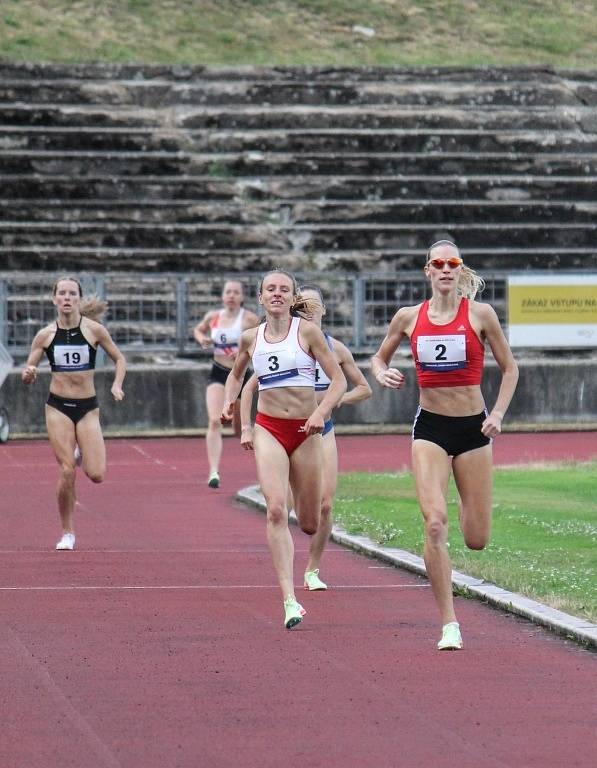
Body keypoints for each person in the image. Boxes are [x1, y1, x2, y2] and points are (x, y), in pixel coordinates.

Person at [371, 241, 518, 650]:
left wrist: (498, 415)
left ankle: (461, 496)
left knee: (476, 539)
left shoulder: (480, 314)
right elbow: (378, 358)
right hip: (430, 428)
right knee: (434, 523)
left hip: (474, 430)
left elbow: (510, 368)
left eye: (453, 263)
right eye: (439, 263)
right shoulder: (408, 317)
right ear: (428, 271)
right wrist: (382, 373)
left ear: (460, 269)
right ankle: (449, 623)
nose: (446, 269)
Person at [221, 269, 346, 629]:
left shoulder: (306, 332)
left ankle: (309, 556)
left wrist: (322, 412)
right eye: (270, 289)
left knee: (310, 521)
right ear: (260, 298)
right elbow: (236, 375)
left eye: (284, 289)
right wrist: (231, 403)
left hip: (307, 431)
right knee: (275, 510)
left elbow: (338, 380)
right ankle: (290, 600)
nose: (276, 294)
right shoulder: (250, 338)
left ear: (292, 299)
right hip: (270, 429)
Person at [239, 283, 372, 591]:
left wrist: (332, 403)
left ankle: (312, 568)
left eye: (315, 307)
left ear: (324, 310)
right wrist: (246, 425)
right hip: (282, 424)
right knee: (280, 505)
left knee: (323, 506)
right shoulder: (283, 341)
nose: (309, 312)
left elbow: (363, 388)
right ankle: (285, 567)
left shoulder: (335, 348)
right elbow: (252, 383)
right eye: (305, 306)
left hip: (320, 428)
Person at [21, 276, 126, 551]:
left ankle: (80, 454)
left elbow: (119, 358)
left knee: (97, 474)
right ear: (54, 299)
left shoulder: (94, 330)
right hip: (58, 407)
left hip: (87, 408)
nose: (67, 298)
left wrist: (117, 384)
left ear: (78, 299)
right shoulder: (45, 335)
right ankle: (67, 533)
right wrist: (29, 374)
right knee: (66, 471)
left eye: (72, 293)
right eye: (62, 293)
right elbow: (28, 372)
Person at [193, 280, 259, 488]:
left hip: (240, 376)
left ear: (241, 297)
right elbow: (198, 330)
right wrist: (202, 339)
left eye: (235, 292)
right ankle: (213, 471)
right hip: (218, 372)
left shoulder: (249, 319)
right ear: (222, 296)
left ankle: (267, 461)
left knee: (240, 430)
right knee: (215, 420)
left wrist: (242, 355)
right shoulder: (214, 317)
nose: (231, 295)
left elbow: (261, 341)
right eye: (228, 292)